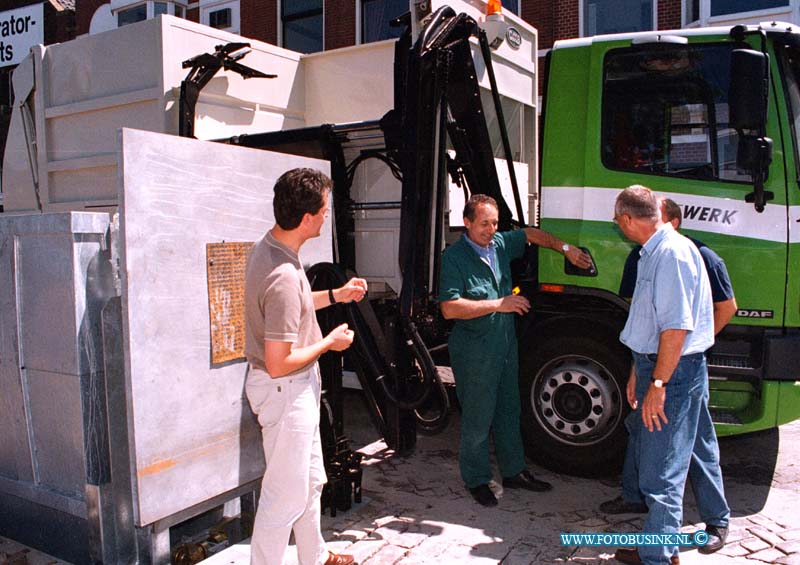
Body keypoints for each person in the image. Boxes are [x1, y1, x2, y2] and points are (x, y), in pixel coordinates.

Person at [243, 168, 368, 565]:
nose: (327, 215)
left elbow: (294, 306)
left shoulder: (275, 248)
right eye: (325, 210)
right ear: (308, 218)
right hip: (285, 390)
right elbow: (278, 364)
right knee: (284, 496)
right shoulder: (280, 274)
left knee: (311, 481)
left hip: (294, 389)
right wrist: (329, 344)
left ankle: (314, 557)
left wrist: (336, 294)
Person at [438, 194, 592, 507]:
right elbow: (449, 308)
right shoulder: (454, 258)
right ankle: (477, 479)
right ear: (467, 223)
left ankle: (514, 472)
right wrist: (499, 303)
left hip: (504, 343)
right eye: (484, 224)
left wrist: (566, 249)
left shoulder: (499, 244)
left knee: (510, 409)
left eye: (494, 223)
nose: (490, 229)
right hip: (475, 349)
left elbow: (531, 234)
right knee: (478, 418)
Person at [602, 197, 731, 558]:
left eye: (617, 219)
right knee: (689, 449)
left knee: (660, 475)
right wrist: (636, 372)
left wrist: (657, 384)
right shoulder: (654, 251)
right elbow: (648, 323)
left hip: (671, 371)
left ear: (628, 219)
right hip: (661, 366)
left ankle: (656, 555)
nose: (617, 224)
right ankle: (665, 541)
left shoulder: (670, 255)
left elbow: (675, 328)